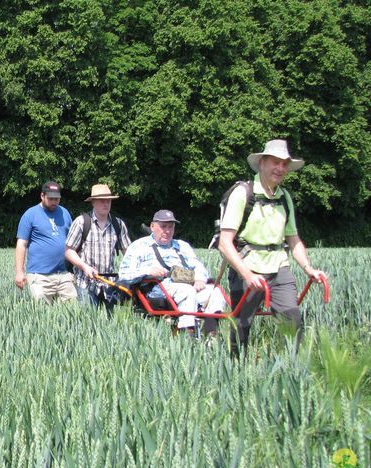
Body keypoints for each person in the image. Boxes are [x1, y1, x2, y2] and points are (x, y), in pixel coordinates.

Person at [218, 139, 326, 356]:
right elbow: (224, 243)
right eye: (275, 162)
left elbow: (293, 240)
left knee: (293, 322)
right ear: (262, 163)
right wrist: (247, 274)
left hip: (279, 269)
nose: (280, 168)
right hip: (247, 268)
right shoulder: (243, 193)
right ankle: (235, 372)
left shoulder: (284, 197)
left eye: (285, 164)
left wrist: (309, 269)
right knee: (241, 326)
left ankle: (292, 374)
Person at [119, 210, 226, 332]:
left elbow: (198, 265)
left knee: (215, 292)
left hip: (186, 283)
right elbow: (124, 274)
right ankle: (187, 334)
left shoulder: (182, 246)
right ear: (152, 227)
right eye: (163, 226)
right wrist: (147, 271)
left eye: (171, 227)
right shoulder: (139, 246)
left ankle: (210, 333)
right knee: (187, 291)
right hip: (157, 288)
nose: (167, 231)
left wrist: (200, 278)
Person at [65, 184, 132, 311]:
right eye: (102, 201)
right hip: (85, 283)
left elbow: (128, 252)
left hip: (109, 284)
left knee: (108, 326)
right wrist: (84, 267)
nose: (106, 204)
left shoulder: (118, 224)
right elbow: (69, 251)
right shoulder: (81, 222)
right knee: (88, 322)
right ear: (93, 202)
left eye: (108, 200)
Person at [15, 181, 77, 302]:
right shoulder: (30, 214)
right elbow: (21, 245)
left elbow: (73, 242)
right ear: (42, 196)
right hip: (39, 276)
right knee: (42, 315)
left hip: (64, 274)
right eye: (51, 198)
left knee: (73, 311)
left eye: (57, 199)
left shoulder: (65, 213)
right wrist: (19, 272)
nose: (54, 202)